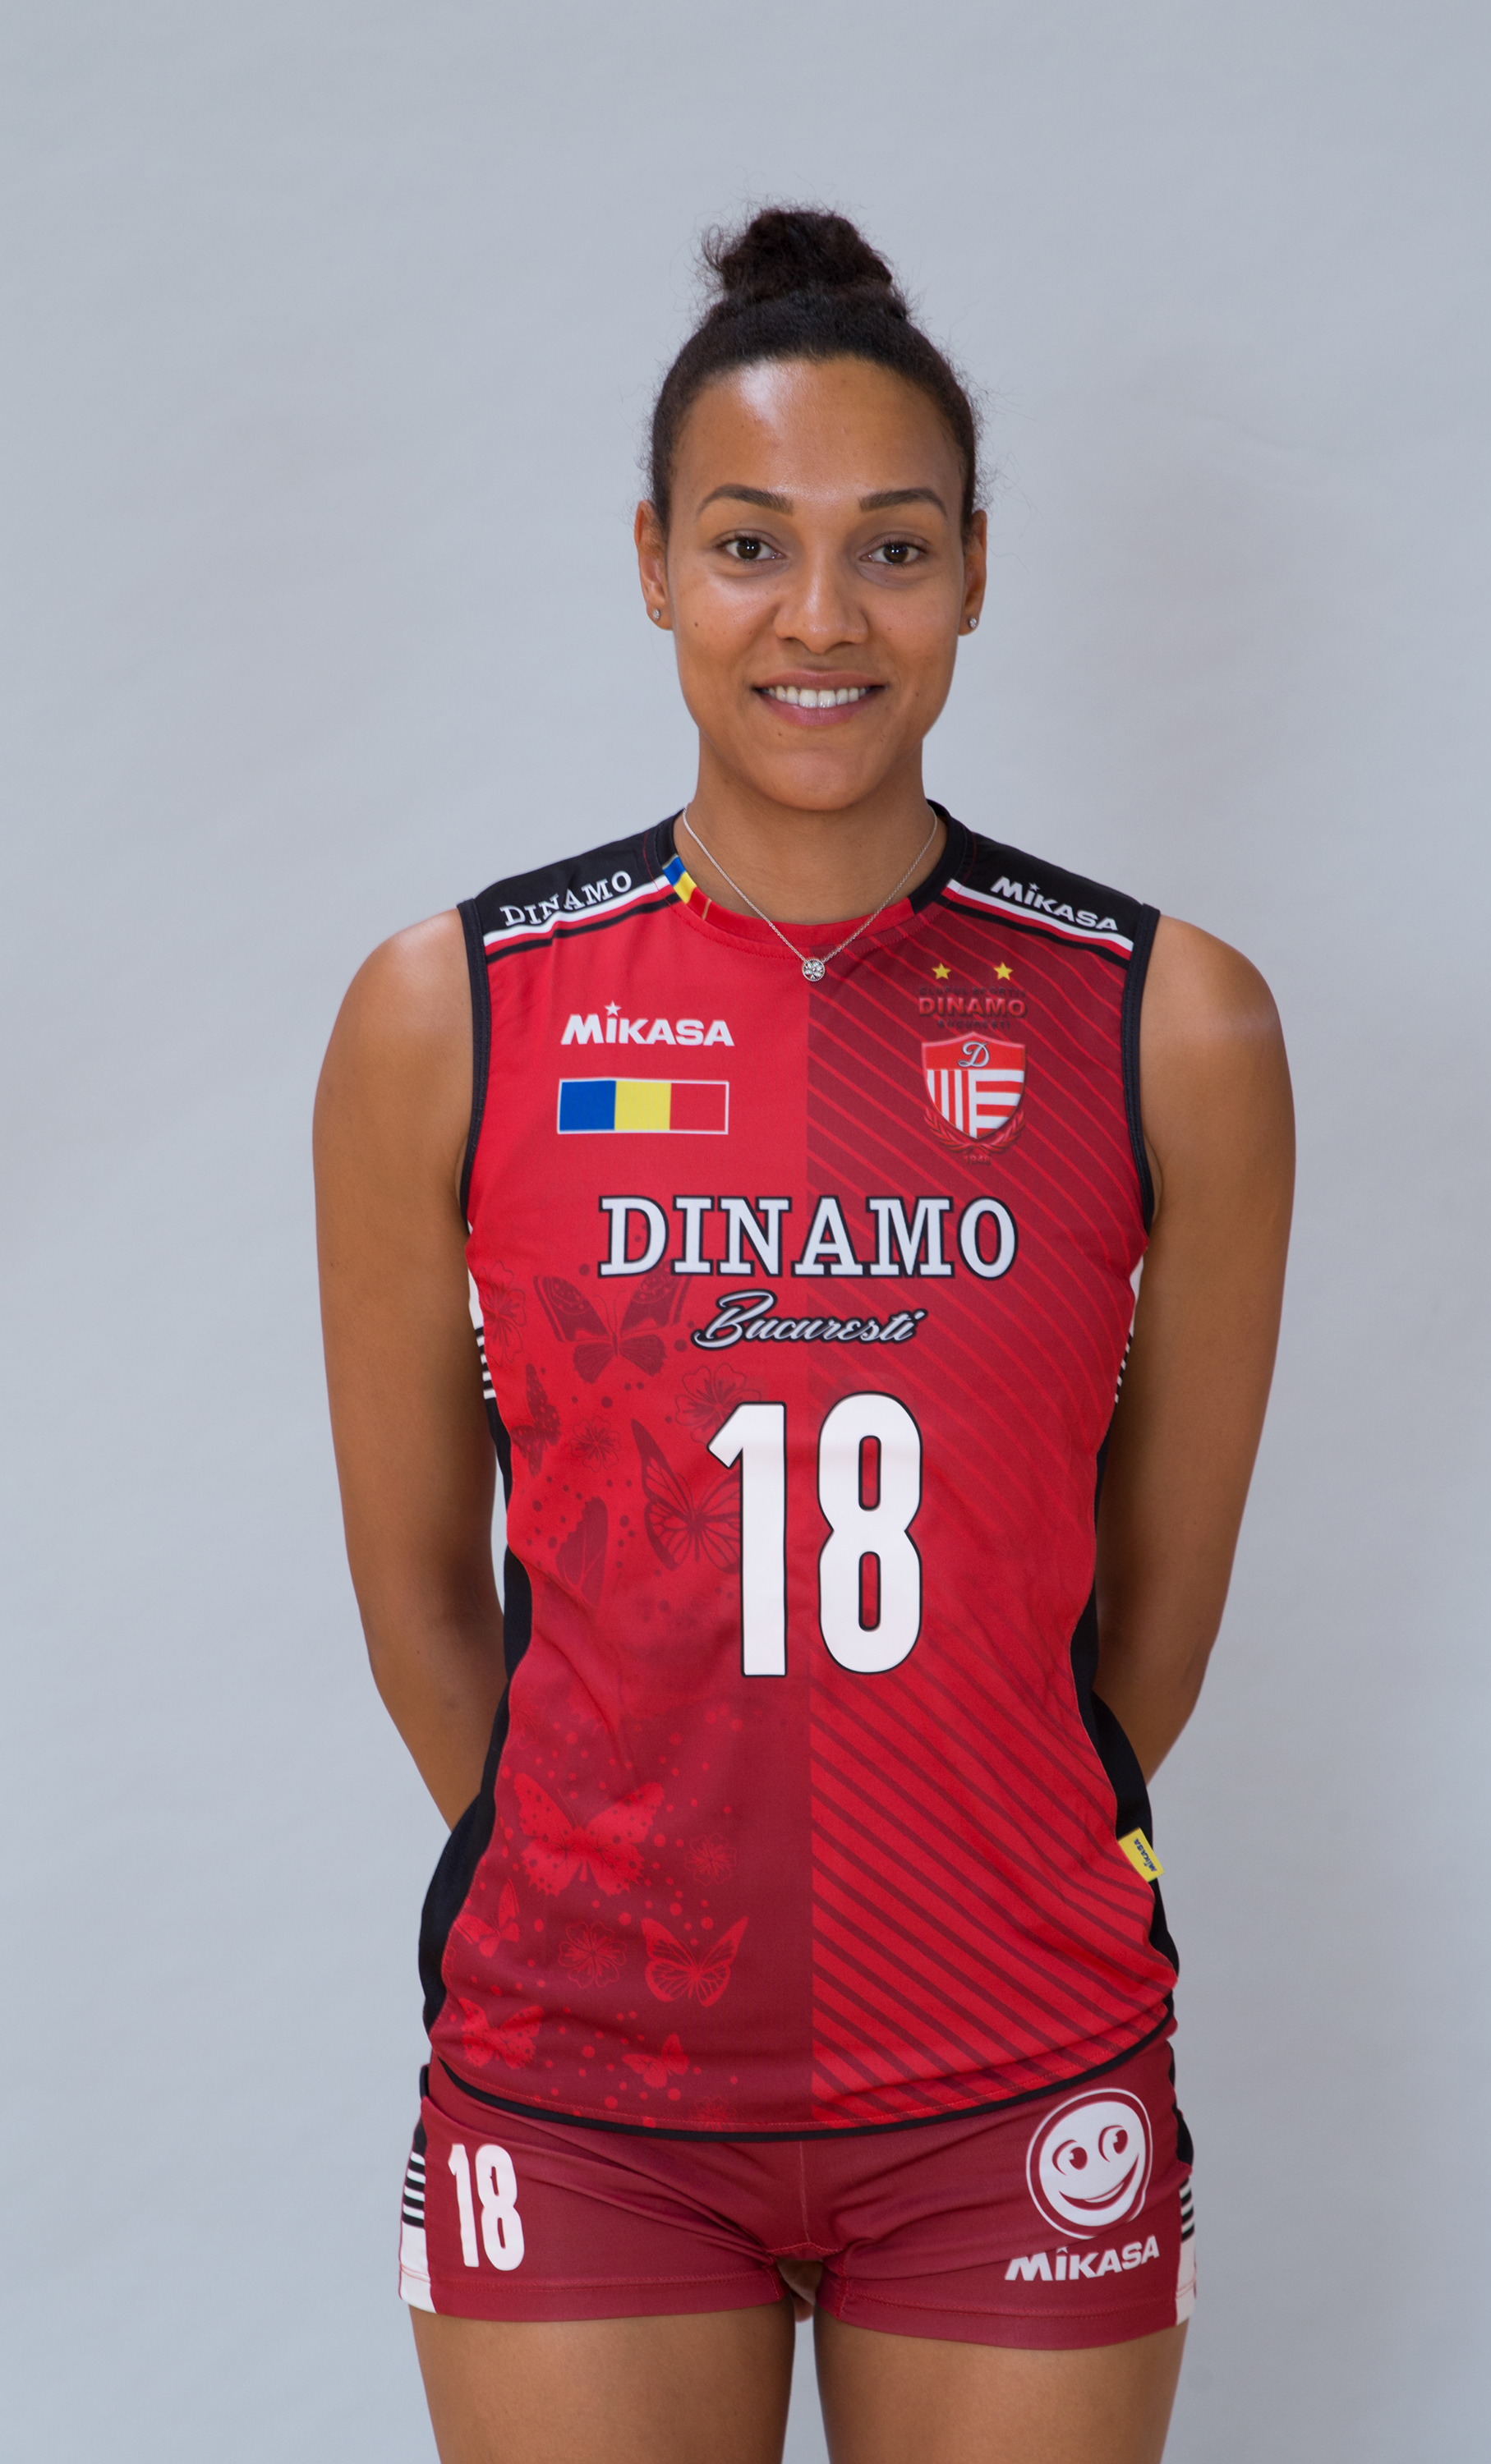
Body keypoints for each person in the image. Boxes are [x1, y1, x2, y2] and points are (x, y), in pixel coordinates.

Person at [315, 206, 1293, 2464]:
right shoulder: (453, 1012)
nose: (822, 617)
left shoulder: (1169, 1024)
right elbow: (416, 1591)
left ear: (977, 572)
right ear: (654, 566)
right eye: (752, 544)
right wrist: (620, 1873)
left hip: (1014, 2068)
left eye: (895, 548)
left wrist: (949, 1849)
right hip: (585, 2084)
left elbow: (1148, 1621)